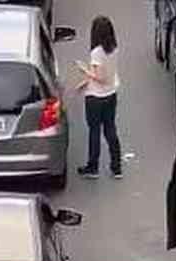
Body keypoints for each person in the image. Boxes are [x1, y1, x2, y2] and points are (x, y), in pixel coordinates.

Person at [76, 16, 122, 180]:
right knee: (110, 129)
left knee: (94, 131)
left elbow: (99, 77)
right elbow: (107, 75)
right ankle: (116, 166)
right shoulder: (114, 48)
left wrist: (84, 70)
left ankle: (93, 167)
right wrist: (85, 82)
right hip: (110, 94)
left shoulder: (97, 53)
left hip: (95, 98)